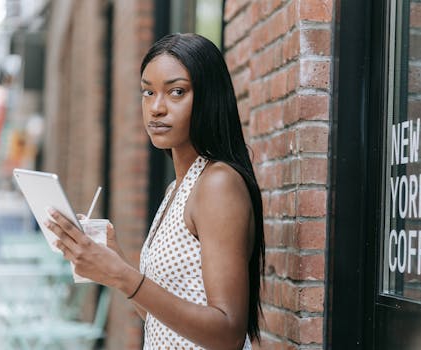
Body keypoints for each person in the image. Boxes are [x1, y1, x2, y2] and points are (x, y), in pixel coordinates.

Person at [45, 33, 265, 350]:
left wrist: (123, 275)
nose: (156, 108)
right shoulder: (177, 188)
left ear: (209, 97)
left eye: (176, 92)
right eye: (148, 92)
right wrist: (113, 262)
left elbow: (227, 333)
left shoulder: (218, 183)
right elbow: (163, 320)